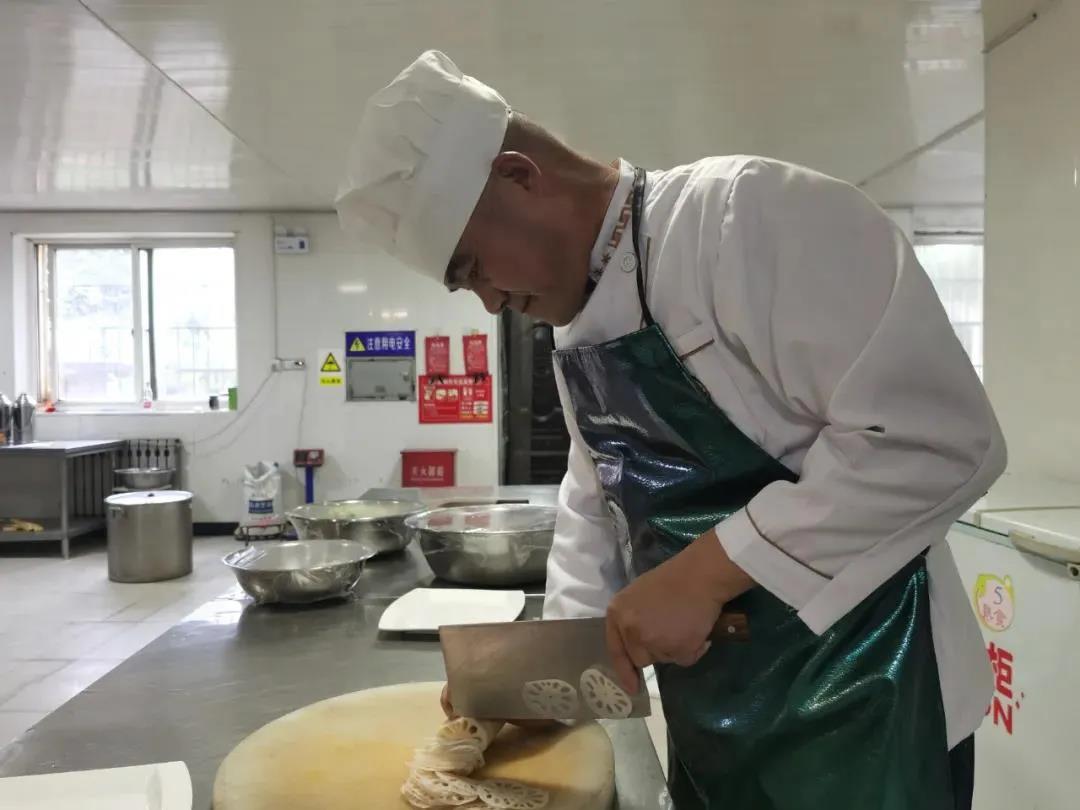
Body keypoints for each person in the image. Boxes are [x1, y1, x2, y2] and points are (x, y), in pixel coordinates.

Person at [336, 50, 1006, 810]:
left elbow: (935, 439)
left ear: (518, 175)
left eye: (474, 267)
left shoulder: (744, 217)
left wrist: (707, 572)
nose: (490, 302)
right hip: (714, 712)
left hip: (867, 699)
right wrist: (550, 671)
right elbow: (597, 502)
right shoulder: (576, 323)